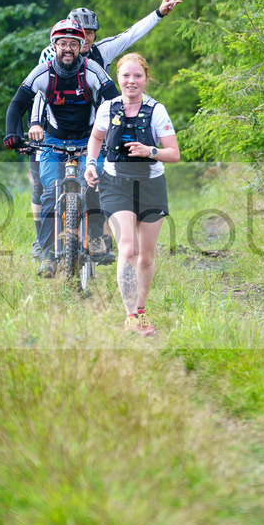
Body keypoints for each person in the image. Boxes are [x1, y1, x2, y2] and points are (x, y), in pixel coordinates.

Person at [26, 0, 183, 262]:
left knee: (101, 178)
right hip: (51, 122)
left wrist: (158, 14)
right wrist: (34, 124)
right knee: (42, 186)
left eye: (90, 33)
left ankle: (98, 237)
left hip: (94, 124)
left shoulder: (102, 52)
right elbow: (39, 93)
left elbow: (131, 35)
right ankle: (43, 243)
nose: (84, 38)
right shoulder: (51, 54)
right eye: (80, 31)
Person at [4, 18, 117, 278]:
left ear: (81, 46)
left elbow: (115, 103)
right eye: (62, 43)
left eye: (73, 44)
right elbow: (16, 104)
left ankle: (97, 238)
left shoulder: (93, 70)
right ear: (54, 46)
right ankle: (46, 255)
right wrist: (13, 133)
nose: (68, 49)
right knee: (49, 191)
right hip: (53, 142)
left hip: (88, 139)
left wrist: (115, 134)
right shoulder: (42, 73)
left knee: (93, 184)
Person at [85, 53, 180, 336]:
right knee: (128, 248)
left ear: (146, 79)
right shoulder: (107, 108)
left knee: (146, 257)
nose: (131, 81)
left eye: (137, 76)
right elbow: (96, 138)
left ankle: (141, 310)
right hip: (115, 184)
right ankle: (130, 317)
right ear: (118, 78)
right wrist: (91, 163)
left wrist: (149, 151)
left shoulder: (157, 111)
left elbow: (173, 154)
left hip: (151, 185)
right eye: (126, 76)